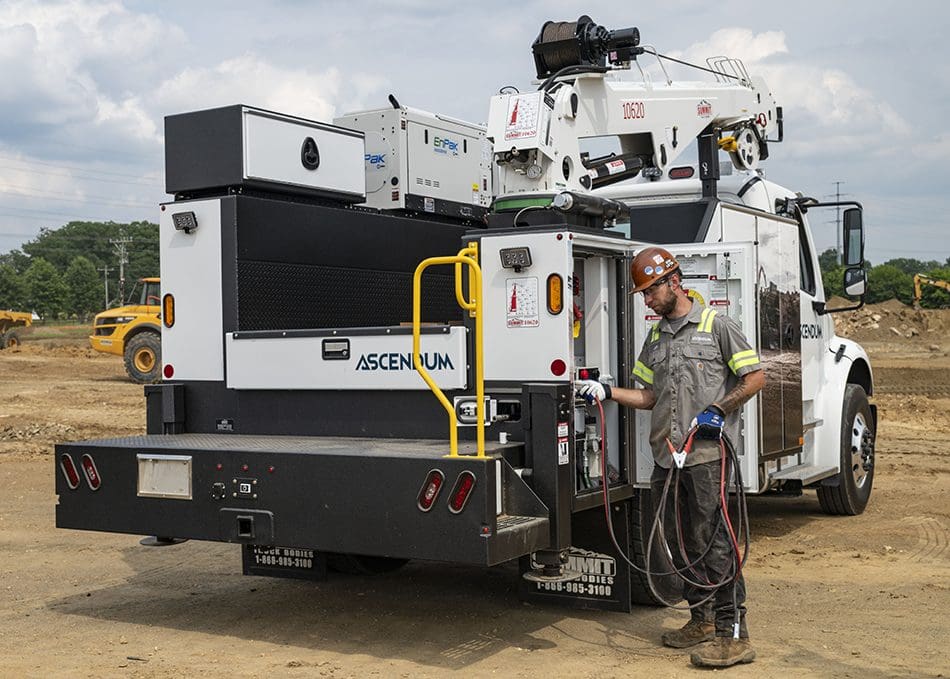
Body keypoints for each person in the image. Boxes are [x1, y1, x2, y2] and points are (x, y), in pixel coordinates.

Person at [577, 246, 765, 669]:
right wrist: (607, 392)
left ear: (673, 282)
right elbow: (648, 396)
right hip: (667, 457)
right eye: (643, 293)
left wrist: (719, 409)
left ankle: (733, 634)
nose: (646, 300)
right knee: (679, 543)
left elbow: (755, 377)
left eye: (649, 291)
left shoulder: (717, 326)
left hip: (706, 458)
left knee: (714, 544)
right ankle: (701, 619)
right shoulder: (656, 338)